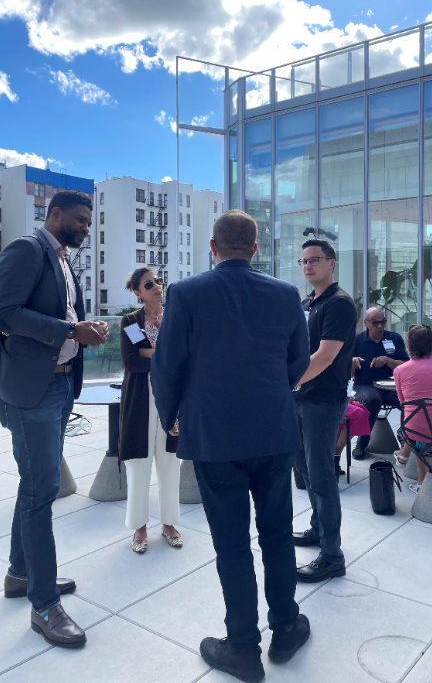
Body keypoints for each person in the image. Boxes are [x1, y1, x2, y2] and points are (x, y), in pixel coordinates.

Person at [151, 210, 311, 683]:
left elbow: (167, 365)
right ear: (256, 249)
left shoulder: (186, 292)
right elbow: (297, 361)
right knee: (278, 533)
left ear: (213, 247)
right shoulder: (286, 294)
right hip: (274, 431)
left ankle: (242, 646)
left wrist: (171, 416)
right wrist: (269, 394)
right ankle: (285, 628)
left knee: (232, 544)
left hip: (214, 435)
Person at [0, 190, 109, 648]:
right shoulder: (26, 248)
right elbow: (2, 313)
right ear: (53, 214)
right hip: (30, 391)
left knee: (35, 486)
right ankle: (43, 605)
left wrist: (84, 326)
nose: (85, 227)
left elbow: (59, 312)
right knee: (41, 492)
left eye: (89, 222)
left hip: (57, 384)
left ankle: (20, 575)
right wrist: (68, 330)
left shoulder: (62, 258)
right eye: (79, 219)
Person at [292, 239, 357, 583]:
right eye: (303, 260)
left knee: (321, 476)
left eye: (314, 259)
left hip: (323, 399)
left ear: (332, 263)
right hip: (301, 397)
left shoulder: (340, 303)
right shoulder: (308, 302)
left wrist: (288, 381)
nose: (307, 265)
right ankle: (318, 529)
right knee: (302, 468)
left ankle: (332, 555)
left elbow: (325, 356)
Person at [119, 268, 181, 554]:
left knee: (170, 463)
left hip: (170, 400)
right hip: (139, 401)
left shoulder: (174, 318)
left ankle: (169, 523)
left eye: (158, 281)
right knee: (139, 466)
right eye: (148, 284)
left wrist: (151, 352)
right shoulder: (131, 322)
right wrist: (164, 355)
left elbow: (184, 358)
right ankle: (139, 527)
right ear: (137, 293)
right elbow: (132, 362)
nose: (156, 286)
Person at [393, 325, 432, 493]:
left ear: (408, 345)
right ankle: (403, 457)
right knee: (423, 429)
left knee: (412, 430)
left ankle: (421, 482)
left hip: (417, 437)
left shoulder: (399, 370)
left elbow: (403, 403)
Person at [351, 307, 409, 460]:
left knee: (410, 401)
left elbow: (406, 366)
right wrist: (352, 363)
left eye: (382, 322)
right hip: (366, 384)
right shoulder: (357, 341)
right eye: (375, 323)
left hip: (391, 385)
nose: (380, 326)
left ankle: (407, 442)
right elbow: (346, 369)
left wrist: (388, 360)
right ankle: (362, 444)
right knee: (372, 400)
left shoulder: (394, 339)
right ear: (366, 323)